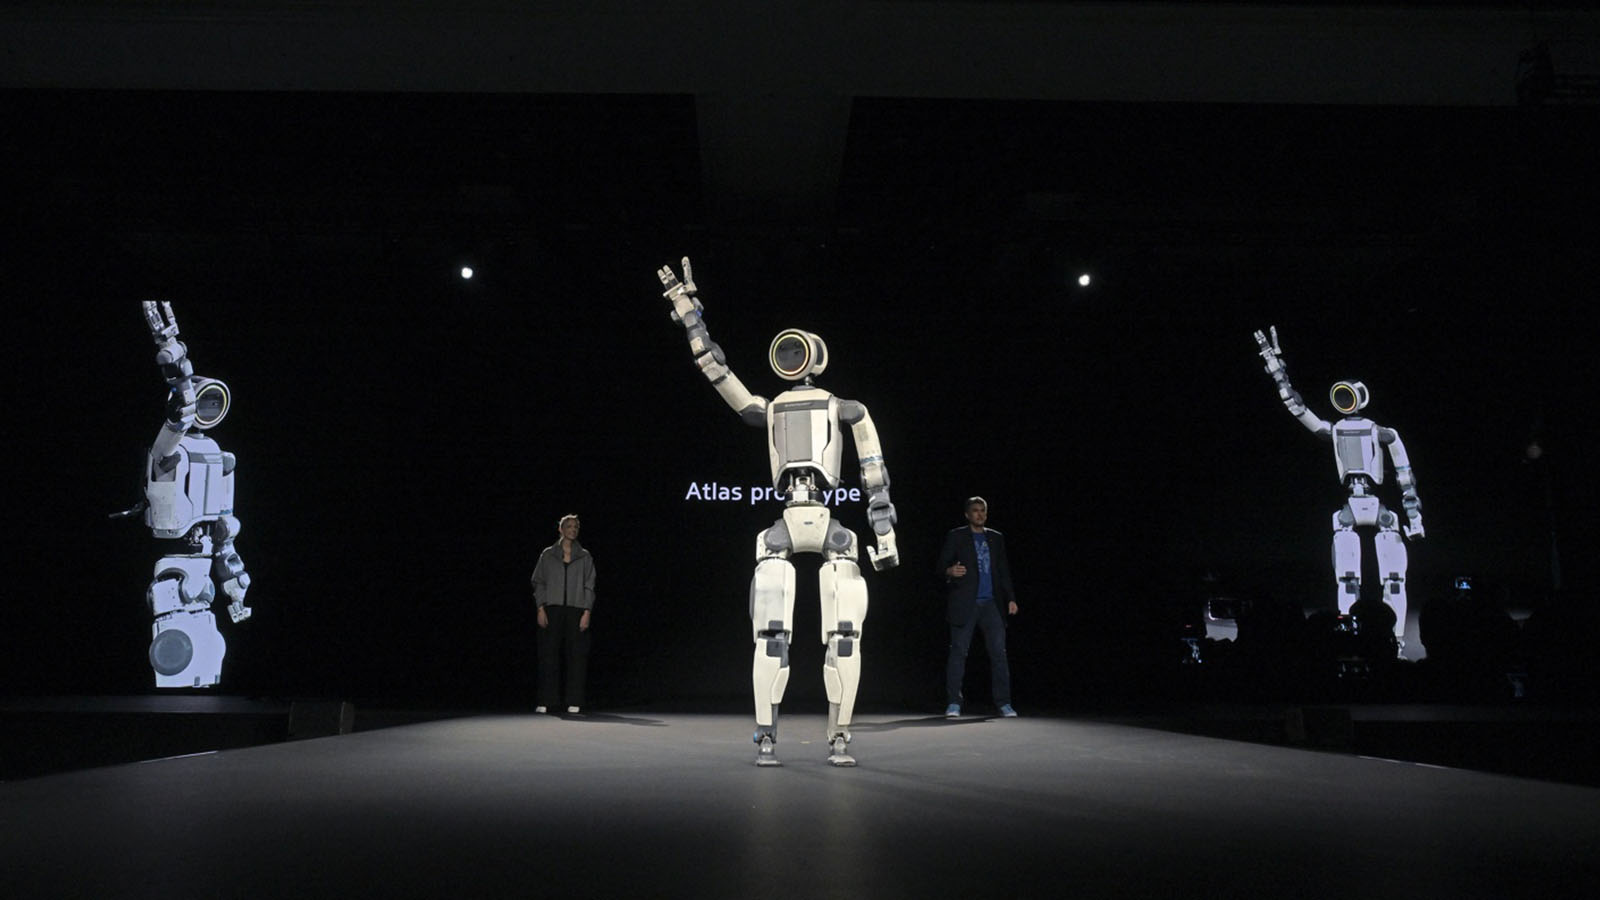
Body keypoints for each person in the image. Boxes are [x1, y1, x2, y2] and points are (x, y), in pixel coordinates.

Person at [938, 496, 1018, 718]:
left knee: (999, 655)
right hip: (965, 604)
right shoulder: (956, 536)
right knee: (959, 653)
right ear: (967, 514)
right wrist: (949, 572)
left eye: (983, 510)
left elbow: (1003, 570)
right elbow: (941, 565)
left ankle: (1004, 703)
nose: (980, 514)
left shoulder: (995, 538)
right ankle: (954, 702)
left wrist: (1010, 598)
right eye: (975, 510)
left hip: (992, 604)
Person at [531, 514, 596, 714]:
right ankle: (547, 700)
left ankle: (574, 700)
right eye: (568, 526)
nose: (573, 529)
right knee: (549, 655)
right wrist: (540, 608)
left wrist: (587, 611)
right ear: (560, 529)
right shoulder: (548, 554)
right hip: (553, 608)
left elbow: (589, 585)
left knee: (576, 656)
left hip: (576, 609)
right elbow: (538, 582)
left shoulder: (585, 556)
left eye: (576, 526)